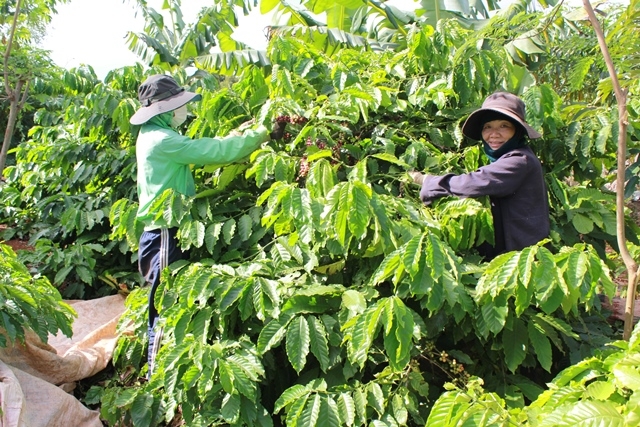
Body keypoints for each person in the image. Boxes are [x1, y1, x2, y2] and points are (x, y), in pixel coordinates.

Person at [129, 74, 286, 376]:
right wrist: (262, 133)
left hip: (167, 229)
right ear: (163, 109)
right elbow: (215, 152)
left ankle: (165, 370)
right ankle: (154, 377)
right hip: (164, 232)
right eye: (177, 105)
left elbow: (204, 147)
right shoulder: (162, 141)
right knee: (164, 305)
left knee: (171, 300)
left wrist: (240, 132)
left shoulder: (153, 135)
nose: (182, 111)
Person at [410, 92, 550, 260]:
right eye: (487, 127)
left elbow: (472, 183)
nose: (494, 134)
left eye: (504, 126)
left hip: (523, 260)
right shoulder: (504, 159)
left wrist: (426, 180)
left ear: (517, 130)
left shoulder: (520, 161)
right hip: (507, 257)